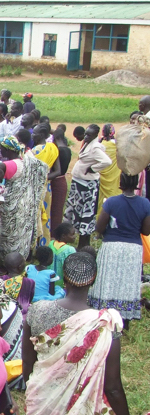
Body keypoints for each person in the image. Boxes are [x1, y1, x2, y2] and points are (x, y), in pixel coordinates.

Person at [22, 253, 140, 415]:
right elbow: (113, 387)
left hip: (43, 402)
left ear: (63, 278)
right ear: (94, 279)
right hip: (80, 412)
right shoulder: (105, 323)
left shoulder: (37, 311)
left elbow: (27, 366)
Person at [88, 172, 150, 327]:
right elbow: (146, 231)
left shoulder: (112, 202)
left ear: (120, 181)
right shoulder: (145, 204)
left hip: (112, 246)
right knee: (128, 282)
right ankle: (125, 319)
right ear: (137, 182)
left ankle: (105, 314)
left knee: (108, 280)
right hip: (133, 248)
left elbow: (99, 227)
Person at [0, 136, 48, 261]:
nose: (0, 152)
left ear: (8, 150)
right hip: (26, 203)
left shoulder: (14, 164)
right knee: (21, 233)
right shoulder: (27, 160)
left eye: (2, 149)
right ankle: (20, 259)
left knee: (11, 235)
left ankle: (9, 261)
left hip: (13, 206)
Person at [65, 124, 112, 248]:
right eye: (85, 133)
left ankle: (84, 243)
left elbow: (107, 161)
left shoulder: (95, 147)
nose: (86, 136)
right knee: (76, 211)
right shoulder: (88, 143)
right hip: (79, 183)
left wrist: (93, 168)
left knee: (85, 214)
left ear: (96, 135)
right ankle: (80, 240)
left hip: (86, 187)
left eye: (89, 135)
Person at [31, 124, 61, 244]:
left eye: (35, 133)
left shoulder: (34, 151)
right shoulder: (53, 148)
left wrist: (39, 179)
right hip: (47, 187)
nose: (32, 135)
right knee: (45, 215)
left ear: (42, 135)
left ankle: (33, 243)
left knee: (35, 215)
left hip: (35, 187)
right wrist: (45, 178)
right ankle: (43, 243)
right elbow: (58, 171)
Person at [97, 123, 121, 214]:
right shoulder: (117, 145)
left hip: (102, 176)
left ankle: (101, 216)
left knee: (101, 198)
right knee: (114, 193)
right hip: (114, 174)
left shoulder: (100, 144)